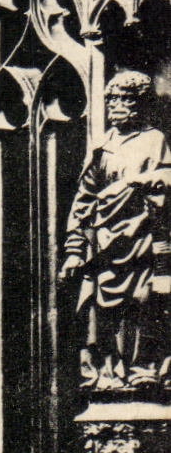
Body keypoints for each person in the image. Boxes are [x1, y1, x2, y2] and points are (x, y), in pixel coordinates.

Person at [60, 70, 171, 390]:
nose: (115, 106)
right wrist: (74, 250)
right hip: (105, 240)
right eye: (111, 100)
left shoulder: (154, 140)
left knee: (143, 301)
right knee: (103, 307)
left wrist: (141, 182)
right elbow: (83, 200)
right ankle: (109, 371)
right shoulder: (103, 145)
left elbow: (166, 181)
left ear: (140, 104)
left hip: (142, 237)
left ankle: (142, 368)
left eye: (124, 100)